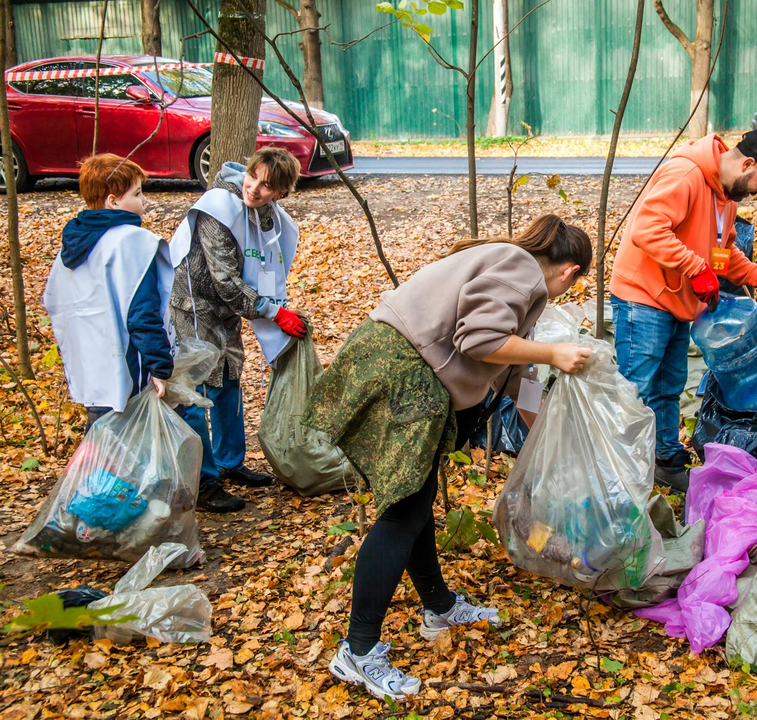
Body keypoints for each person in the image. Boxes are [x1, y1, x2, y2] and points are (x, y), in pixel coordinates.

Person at [306, 215, 593, 701]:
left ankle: (438, 606)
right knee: (404, 512)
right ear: (570, 271)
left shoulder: (513, 279)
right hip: (402, 370)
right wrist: (554, 353)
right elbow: (479, 340)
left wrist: (545, 445)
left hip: (405, 370)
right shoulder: (519, 266)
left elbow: (516, 376)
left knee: (412, 507)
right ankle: (357, 652)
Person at [609, 129, 757, 491]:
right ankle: (623, 474)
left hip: (679, 300)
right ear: (748, 163)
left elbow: (722, 253)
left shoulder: (727, 195)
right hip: (642, 296)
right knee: (637, 388)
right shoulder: (686, 174)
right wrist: (696, 269)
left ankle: (665, 460)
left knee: (669, 387)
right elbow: (647, 230)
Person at [169, 148, 307, 513]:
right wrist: (272, 313)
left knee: (228, 378)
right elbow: (226, 280)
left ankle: (230, 461)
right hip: (194, 305)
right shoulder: (219, 208)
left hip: (226, 310)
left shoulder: (266, 214)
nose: (255, 189)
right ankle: (204, 480)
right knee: (196, 389)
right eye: (254, 178)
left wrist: (275, 306)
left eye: (267, 186)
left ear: (280, 192)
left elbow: (266, 264)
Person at [44, 154, 187, 431]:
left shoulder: (70, 249)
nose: (144, 201)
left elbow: (55, 302)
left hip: (90, 372)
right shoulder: (131, 242)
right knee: (134, 459)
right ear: (113, 201)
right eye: (137, 193)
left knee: (102, 453)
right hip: (128, 372)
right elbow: (142, 312)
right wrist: (159, 367)